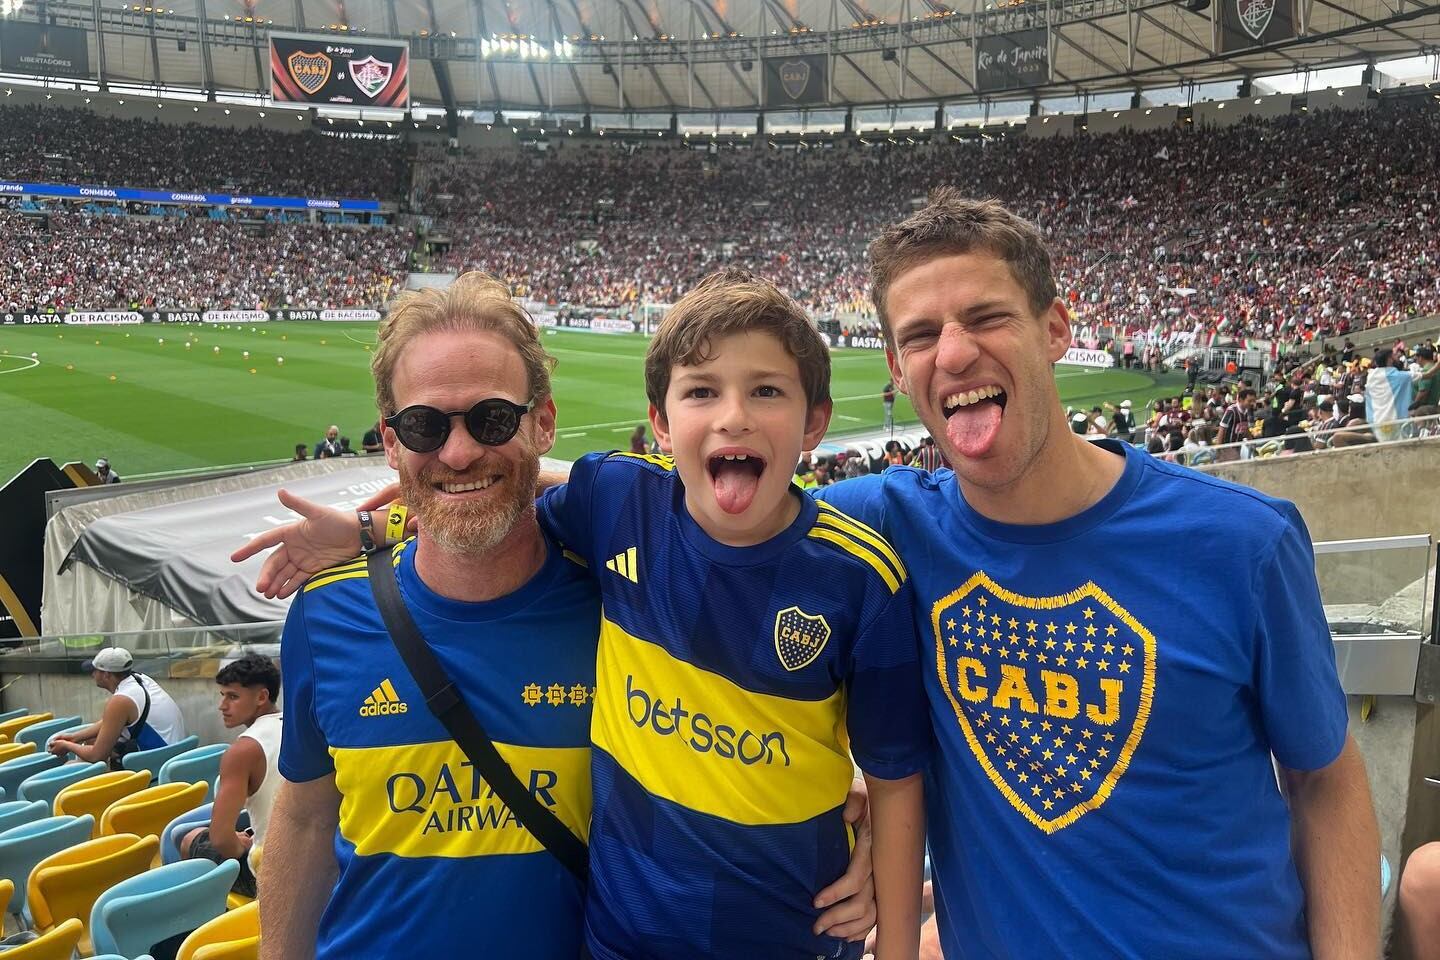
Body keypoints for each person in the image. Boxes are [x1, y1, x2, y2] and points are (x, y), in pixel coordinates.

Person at [238, 274, 877, 960]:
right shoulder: (326, 612)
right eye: (425, 425)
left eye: (492, 419)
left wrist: (848, 829)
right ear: (392, 443)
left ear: (543, 423)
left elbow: (764, 702)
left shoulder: (624, 600)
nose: (458, 452)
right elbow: (303, 825)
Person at [816, 191, 1378, 958]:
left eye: (985, 317)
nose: (952, 353)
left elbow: (1325, 778)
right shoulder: (881, 526)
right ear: (895, 367)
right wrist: (818, 786)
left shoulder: (1242, 540)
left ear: (1055, 328)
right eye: (920, 335)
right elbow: (706, 532)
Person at [180, 652, 281, 898]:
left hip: (269, 876)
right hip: (310, 859)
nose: (222, 706)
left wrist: (240, 844)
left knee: (187, 838)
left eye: (233, 697)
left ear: (262, 697)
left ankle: (201, 918)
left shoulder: (243, 750)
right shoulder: (300, 726)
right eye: (222, 695)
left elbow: (221, 840)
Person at [49, 647, 187, 768]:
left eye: (95, 671)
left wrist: (68, 746)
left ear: (106, 675)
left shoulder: (120, 700)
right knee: (91, 740)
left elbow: (97, 756)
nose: (92, 675)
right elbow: (110, 722)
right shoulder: (141, 679)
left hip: (156, 764)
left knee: (75, 764)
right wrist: (74, 737)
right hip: (174, 755)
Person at [1365, 348, 1414, 442]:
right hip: (1396, 420)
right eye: (1394, 356)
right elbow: (1427, 374)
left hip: (1377, 419)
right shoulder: (1400, 376)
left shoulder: (1371, 376)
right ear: (1389, 359)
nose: (1397, 357)